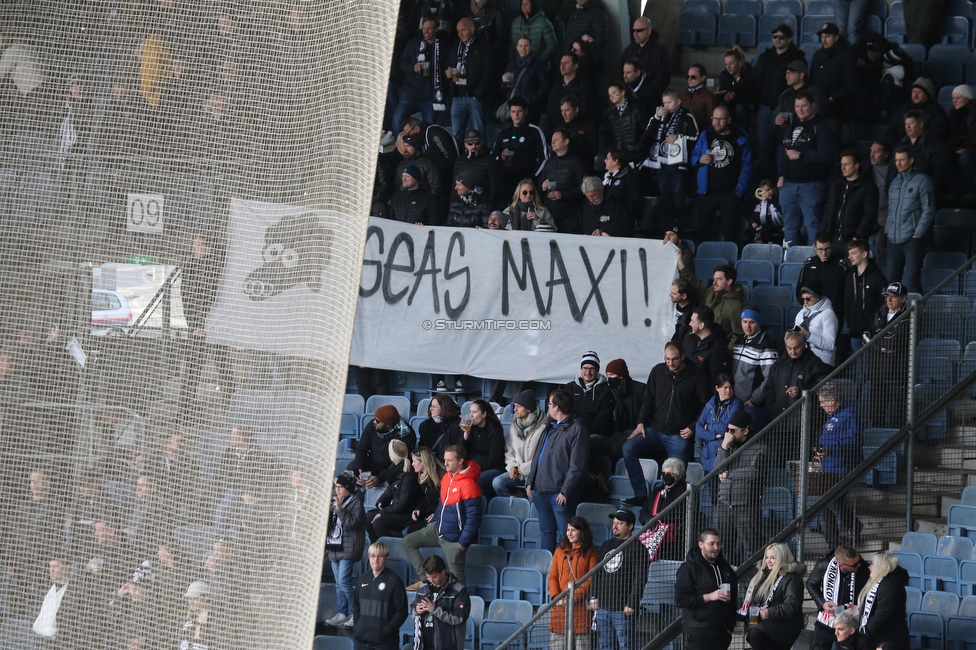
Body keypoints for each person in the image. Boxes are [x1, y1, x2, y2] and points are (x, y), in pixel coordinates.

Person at [620, 342, 710, 507]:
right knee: (627, 448)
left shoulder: (696, 375)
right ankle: (640, 494)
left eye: (675, 359)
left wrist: (693, 427)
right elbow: (648, 400)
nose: (670, 363)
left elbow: (706, 407)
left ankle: (668, 505)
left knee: (676, 476)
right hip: (655, 429)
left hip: (679, 434)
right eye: (667, 359)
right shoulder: (658, 371)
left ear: (683, 356)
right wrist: (640, 422)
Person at [402, 444, 482, 587]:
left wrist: (463, 543)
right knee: (408, 542)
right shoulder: (446, 478)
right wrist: (437, 519)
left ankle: (461, 608)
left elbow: (474, 518)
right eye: (445, 459)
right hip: (437, 529)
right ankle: (425, 581)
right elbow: (442, 503)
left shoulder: (469, 485)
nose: (445, 463)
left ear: (460, 461)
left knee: (458, 585)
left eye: (449, 460)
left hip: (454, 539)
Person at [526, 389, 589, 552]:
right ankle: (549, 571)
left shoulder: (577, 429)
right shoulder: (549, 427)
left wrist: (565, 491)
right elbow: (537, 456)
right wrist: (530, 481)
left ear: (557, 408)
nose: (547, 407)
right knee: (546, 533)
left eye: (550, 404)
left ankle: (565, 572)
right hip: (539, 491)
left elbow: (577, 465)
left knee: (566, 535)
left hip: (559, 494)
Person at [778, 91, 835, 246]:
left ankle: (813, 263)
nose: (800, 109)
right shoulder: (791, 126)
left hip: (811, 185)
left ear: (813, 106)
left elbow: (826, 155)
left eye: (803, 106)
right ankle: (790, 263)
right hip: (788, 184)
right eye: (797, 106)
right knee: (789, 227)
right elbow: (784, 152)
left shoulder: (821, 127)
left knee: (812, 226)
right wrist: (781, 174)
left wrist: (802, 155)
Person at [691, 104, 753, 244]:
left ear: (729, 119)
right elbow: (693, 155)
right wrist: (699, 159)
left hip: (730, 194)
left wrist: (739, 192)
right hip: (706, 193)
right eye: (714, 118)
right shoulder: (706, 134)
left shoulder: (740, 138)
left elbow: (747, 166)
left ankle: (730, 264)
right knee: (704, 233)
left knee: (730, 233)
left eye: (721, 119)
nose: (716, 122)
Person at [640, 88, 699, 228]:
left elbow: (696, 136)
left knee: (678, 193)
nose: (666, 106)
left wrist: (679, 137)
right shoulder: (657, 116)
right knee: (665, 193)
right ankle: (666, 221)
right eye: (664, 103)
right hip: (660, 162)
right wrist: (656, 118)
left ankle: (680, 222)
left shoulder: (687, 117)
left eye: (669, 102)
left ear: (678, 102)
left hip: (678, 162)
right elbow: (647, 134)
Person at [714, 411, 766, 563]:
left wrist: (729, 474)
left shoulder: (759, 447)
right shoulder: (728, 446)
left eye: (733, 431)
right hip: (724, 503)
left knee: (752, 547)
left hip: (745, 505)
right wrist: (724, 446)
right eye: (727, 430)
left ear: (745, 431)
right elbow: (717, 469)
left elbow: (754, 472)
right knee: (724, 548)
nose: (729, 434)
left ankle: (753, 583)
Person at [590, 509, 646, 650]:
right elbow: (597, 572)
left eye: (620, 523)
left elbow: (641, 577)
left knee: (626, 645)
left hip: (623, 609)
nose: (614, 526)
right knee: (605, 646)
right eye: (614, 522)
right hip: (603, 607)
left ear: (630, 526)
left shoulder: (638, 547)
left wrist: (632, 603)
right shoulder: (606, 545)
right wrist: (593, 596)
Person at [674, 529, 738, 650]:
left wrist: (730, 627)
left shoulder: (725, 567)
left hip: (721, 632)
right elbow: (680, 600)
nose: (716, 547)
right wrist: (710, 596)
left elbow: (733, 598)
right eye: (712, 543)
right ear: (701, 544)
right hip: (698, 631)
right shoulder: (688, 568)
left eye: (718, 543)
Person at [753, 24, 806, 167]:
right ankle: (765, 183)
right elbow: (755, 78)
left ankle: (780, 180)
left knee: (783, 145)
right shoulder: (766, 56)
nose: (777, 40)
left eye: (781, 37)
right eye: (775, 36)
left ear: (789, 39)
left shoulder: (797, 58)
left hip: (784, 109)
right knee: (764, 146)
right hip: (764, 108)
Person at [817, 382, 863, 548]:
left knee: (831, 501)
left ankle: (853, 524)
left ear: (833, 400)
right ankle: (833, 547)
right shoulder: (833, 416)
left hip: (843, 467)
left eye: (822, 402)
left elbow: (853, 441)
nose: (821, 405)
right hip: (829, 468)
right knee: (824, 507)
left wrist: (831, 449)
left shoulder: (848, 415)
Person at [886, 145, 934, 294]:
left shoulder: (923, 180)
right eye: (896, 160)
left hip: (912, 239)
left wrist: (917, 233)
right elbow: (890, 209)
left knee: (913, 279)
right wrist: (888, 230)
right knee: (892, 282)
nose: (898, 163)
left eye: (902, 160)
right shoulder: (894, 182)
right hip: (893, 239)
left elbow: (929, 209)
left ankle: (916, 316)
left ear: (911, 160)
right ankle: (893, 316)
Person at [739, 543, 806, 650]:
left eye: (773, 558)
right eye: (766, 557)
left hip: (783, 625)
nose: (768, 561)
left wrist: (769, 613)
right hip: (763, 624)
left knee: (756, 633)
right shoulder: (762, 576)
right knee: (754, 633)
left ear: (782, 558)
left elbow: (792, 605)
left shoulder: (792, 579)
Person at [807, 545, 872, 650]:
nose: (859, 565)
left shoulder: (863, 567)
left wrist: (859, 607)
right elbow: (811, 584)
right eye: (854, 564)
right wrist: (822, 603)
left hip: (849, 624)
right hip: (826, 621)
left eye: (859, 559)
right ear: (842, 566)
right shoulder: (824, 564)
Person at [548, 517, 599, 649]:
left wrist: (573, 597)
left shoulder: (592, 552)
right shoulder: (559, 551)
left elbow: (591, 579)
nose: (569, 533)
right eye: (568, 530)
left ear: (582, 532)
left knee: (581, 645)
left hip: (581, 610)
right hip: (560, 608)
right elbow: (552, 576)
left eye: (573, 530)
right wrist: (556, 597)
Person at [865, 282, 911, 428]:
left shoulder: (908, 317)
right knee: (876, 416)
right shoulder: (879, 313)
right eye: (887, 296)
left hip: (896, 376)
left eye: (894, 297)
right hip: (877, 375)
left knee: (896, 417)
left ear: (903, 298)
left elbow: (894, 343)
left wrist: (875, 341)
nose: (889, 300)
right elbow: (865, 335)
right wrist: (881, 346)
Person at [325, 473, 366, 628]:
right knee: (338, 583)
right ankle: (342, 612)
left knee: (343, 581)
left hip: (349, 547)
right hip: (334, 546)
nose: (338, 490)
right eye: (336, 487)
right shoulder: (334, 501)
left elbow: (352, 524)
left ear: (348, 488)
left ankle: (355, 613)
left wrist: (340, 510)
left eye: (341, 487)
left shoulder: (356, 501)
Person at [758, 331, 831, 419]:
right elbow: (770, 388)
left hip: (804, 419)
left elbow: (824, 386)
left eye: (797, 348)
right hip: (778, 418)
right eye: (789, 348)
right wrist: (770, 409)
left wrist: (801, 390)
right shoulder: (778, 364)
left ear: (804, 345)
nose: (793, 352)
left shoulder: (814, 363)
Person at [676, 259, 745, 349]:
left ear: (729, 281)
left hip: (718, 351)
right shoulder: (710, 293)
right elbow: (693, 282)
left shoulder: (736, 306)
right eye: (714, 279)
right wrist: (680, 262)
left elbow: (737, 334)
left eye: (719, 279)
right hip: (701, 347)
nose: (714, 282)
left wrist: (725, 353)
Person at [353, 541, 409, 650]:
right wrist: (358, 626)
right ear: (368, 557)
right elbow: (356, 606)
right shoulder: (362, 579)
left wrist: (387, 629)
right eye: (373, 556)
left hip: (385, 643)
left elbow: (401, 612)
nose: (376, 560)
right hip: (361, 642)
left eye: (380, 556)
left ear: (386, 558)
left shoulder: (394, 581)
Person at [393, 17, 446, 133]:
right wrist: (413, 67)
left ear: (436, 29)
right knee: (397, 120)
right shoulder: (414, 43)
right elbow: (402, 63)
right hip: (412, 92)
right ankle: (402, 146)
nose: (425, 31)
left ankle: (423, 150)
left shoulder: (443, 46)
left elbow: (448, 67)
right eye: (424, 28)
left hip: (431, 95)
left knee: (429, 128)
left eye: (429, 29)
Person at [822, 151, 880, 256]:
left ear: (857, 166)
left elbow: (870, 215)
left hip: (854, 241)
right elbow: (828, 211)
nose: (842, 168)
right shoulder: (836, 184)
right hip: (834, 239)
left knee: (852, 271)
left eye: (847, 164)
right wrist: (822, 235)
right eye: (842, 164)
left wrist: (857, 237)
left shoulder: (868, 187)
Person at [494, 390, 547, 497]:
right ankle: (516, 505)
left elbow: (544, 456)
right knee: (497, 483)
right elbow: (509, 451)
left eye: (518, 406)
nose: (514, 410)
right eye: (514, 406)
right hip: (517, 473)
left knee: (533, 493)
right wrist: (512, 467)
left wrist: (526, 468)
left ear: (528, 409)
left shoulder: (543, 428)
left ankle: (529, 510)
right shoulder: (514, 426)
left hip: (535, 475)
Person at [349, 405, 417, 488]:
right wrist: (359, 468)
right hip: (373, 464)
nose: (374, 422)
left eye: (377, 421)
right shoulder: (372, 426)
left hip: (392, 468)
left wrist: (379, 478)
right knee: (351, 469)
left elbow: (400, 463)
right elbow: (361, 448)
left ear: (388, 425)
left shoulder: (406, 434)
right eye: (374, 418)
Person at [493, 97, 548, 199]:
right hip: (506, 183)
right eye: (513, 111)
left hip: (527, 183)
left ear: (526, 111)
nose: (516, 115)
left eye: (519, 111)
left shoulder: (535, 131)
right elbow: (494, 158)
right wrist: (501, 157)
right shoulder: (503, 133)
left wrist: (532, 177)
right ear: (509, 113)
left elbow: (544, 158)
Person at [446, 18, 491, 142]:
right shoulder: (455, 46)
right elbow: (449, 65)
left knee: (478, 133)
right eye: (458, 31)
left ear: (472, 29)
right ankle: (459, 160)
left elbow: (487, 72)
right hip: (457, 96)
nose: (460, 34)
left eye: (463, 30)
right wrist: (448, 72)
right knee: (456, 134)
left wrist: (478, 94)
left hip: (474, 97)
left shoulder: (482, 46)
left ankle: (481, 160)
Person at [412, 555, 470, 650]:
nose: (431, 580)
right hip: (424, 643)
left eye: (434, 577)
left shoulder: (459, 590)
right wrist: (416, 610)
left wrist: (435, 610)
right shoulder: (423, 587)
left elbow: (459, 618)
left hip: (449, 645)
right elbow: (413, 608)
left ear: (443, 572)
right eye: (428, 577)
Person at [890, 110, 954, 195]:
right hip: (899, 194)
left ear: (921, 124)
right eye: (906, 124)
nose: (907, 127)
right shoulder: (899, 146)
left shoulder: (935, 145)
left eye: (911, 123)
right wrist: (890, 189)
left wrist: (925, 192)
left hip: (923, 194)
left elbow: (939, 173)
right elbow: (892, 169)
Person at [733, 308, 778, 429]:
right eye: (744, 321)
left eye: (752, 322)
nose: (747, 325)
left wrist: (754, 400)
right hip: (734, 400)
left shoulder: (766, 345)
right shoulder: (738, 340)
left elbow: (770, 377)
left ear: (759, 323)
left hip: (751, 405)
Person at [366, 440, 420, 541]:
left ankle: (392, 549)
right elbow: (391, 488)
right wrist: (382, 500)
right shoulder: (394, 469)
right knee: (369, 516)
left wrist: (383, 512)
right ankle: (375, 548)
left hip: (407, 514)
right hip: (397, 510)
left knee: (379, 523)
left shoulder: (408, 475)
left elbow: (403, 504)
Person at [856, 551, 910, 650]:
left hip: (888, 641)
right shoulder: (884, 583)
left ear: (881, 566)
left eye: (872, 564)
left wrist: (865, 633)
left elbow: (883, 614)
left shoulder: (890, 586)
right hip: (879, 638)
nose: (869, 567)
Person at [638, 458, 688, 561]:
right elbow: (644, 510)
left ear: (679, 477)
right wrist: (648, 520)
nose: (665, 476)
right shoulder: (656, 491)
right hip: (653, 535)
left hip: (673, 543)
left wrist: (658, 520)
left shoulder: (685, 492)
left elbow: (681, 513)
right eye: (663, 473)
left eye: (669, 474)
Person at [695, 373, 744, 477]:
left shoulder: (737, 404)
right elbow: (698, 429)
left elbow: (726, 427)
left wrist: (708, 427)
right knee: (711, 492)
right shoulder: (710, 404)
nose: (728, 390)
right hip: (710, 459)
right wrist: (713, 436)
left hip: (726, 457)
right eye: (725, 387)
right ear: (717, 388)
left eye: (730, 387)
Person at [843, 240, 887, 352]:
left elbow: (885, 303)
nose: (849, 257)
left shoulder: (877, 277)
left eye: (853, 253)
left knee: (872, 367)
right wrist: (850, 321)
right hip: (855, 331)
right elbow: (847, 301)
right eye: (849, 254)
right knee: (859, 366)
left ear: (864, 254)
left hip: (873, 334)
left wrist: (876, 326)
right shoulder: (849, 276)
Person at [809, 23, 858, 122]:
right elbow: (812, 80)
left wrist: (833, 97)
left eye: (827, 36)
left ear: (836, 38)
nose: (823, 40)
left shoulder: (846, 56)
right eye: (822, 37)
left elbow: (852, 83)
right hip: (817, 107)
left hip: (837, 109)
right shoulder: (818, 55)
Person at [540, 128, 586, 232]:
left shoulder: (577, 163)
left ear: (566, 142)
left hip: (569, 217)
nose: (552, 142)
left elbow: (583, 188)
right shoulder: (549, 163)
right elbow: (540, 184)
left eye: (556, 139)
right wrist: (542, 186)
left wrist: (562, 194)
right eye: (552, 140)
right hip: (548, 216)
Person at [797, 233, 848, 322]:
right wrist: (807, 305)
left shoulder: (841, 265)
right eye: (820, 249)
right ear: (815, 247)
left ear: (832, 246)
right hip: (811, 313)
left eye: (827, 249)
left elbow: (847, 291)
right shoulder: (808, 264)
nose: (824, 253)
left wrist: (839, 309)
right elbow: (800, 289)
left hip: (834, 314)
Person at [563, 351, 615, 439]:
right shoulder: (570, 387)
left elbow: (603, 420)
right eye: (585, 368)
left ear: (597, 371)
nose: (588, 372)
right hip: (570, 430)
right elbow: (563, 411)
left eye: (592, 369)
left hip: (593, 433)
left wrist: (584, 432)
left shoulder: (606, 390)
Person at [883, 78, 948, 147]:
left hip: (922, 150)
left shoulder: (937, 111)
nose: (915, 95)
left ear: (927, 94)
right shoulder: (904, 108)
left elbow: (935, 135)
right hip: (899, 149)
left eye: (919, 92)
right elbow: (890, 129)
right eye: (913, 91)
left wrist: (912, 148)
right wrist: (897, 147)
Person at [501, 36, 549, 124]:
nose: (523, 48)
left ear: (531, 47)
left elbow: (545, 84)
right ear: (516, 47)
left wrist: (534, 99)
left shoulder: (537, 64)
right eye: (520, 46)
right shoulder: (512, 64)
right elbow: (505, 88)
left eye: (526, 45)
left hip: (530, 107)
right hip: (514, 106)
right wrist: (504, 82)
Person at [682, 306, 733, 388]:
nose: (689, 324)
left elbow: (717, 380)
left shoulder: (718, 349)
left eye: (692, 321)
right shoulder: (689, 337)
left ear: (701, 325)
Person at [463, 399, 506, 495]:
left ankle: (483, 506)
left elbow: (492, 459)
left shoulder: (495, 431)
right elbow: (463, 452)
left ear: (484, 414)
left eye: (474, 412)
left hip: (494, 468)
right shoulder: (471, 428)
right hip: (474, 466)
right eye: (470, 412)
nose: (471, 415)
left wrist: (475, 470)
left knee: (477, 481)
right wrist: (466, 434)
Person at [620, 16, 670, 97]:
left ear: (649, 31)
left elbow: (663, 79)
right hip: (629, 98)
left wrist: (648, 94)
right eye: (633, 30)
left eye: (639, 30)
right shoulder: (628, 51)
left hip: (651, 99)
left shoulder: (660, 51)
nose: (635, 33)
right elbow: (620, 76)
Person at [796, 284, 839, 367]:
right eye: (803, 299)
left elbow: (830, 345)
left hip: (822, 360)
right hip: (803, 358)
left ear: (817, 297)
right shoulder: (801, 313)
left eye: (808, 299)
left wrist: (807, 335)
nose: (805, 302)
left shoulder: (829, 315)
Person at [546, 53, 598, 123]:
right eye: (561, 63)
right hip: (556, 129)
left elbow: (586, 111)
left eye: (566, 63)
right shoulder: (556, 86)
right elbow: (550, 111)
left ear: (575, 66)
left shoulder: (583, 86)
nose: (562, 65)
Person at [603, 82, 646, 163]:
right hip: (621, 156)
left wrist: (639, 147)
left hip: (638, 155)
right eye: (609, 95)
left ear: (622, 92)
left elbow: (645, 130)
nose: (611, 96)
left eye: (614, 93)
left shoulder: (636, 108)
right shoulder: (612, 114)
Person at [716, 46, 757, 130]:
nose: (728, 67)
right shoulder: (724, 75)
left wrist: (735, 95)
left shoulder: (749, 73)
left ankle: (741, 133)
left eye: (731, 63)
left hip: (746, 104)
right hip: (730, 104)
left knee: (740, 108)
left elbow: (751, 95)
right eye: (726, 64)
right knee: (722, 106)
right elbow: (722, 92)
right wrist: (724, 97)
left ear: (739, 63)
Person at [408, 447, 447, 535]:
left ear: (423, 462)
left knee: (412, 532)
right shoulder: (421, 477)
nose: (412, 464)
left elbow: (446, 501)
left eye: (414, 461)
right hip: (427, 513)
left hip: (439, 515)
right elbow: (425, 498)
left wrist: (436, 513)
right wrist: (419, 508)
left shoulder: (441, 477)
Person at [509, 0, 557, 70]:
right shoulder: (515, 23)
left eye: (527, 3)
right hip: (518, 66)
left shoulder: (543, 22)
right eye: (522, 4)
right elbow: (512, 45)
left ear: (533, 5)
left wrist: (539, 61)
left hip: (538, 67)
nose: (524, 6)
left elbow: (552, 44)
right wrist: (512, 62)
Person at [602, 149, 642, 227]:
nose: (604, 161)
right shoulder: (607, 177)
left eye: (607, 158)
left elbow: (635, 201)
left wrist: (620, 212)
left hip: (622, 220)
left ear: (616, 161)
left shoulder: (629, 178)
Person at [417, 394, 464, 459]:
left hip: (448, 464)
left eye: (434, 406)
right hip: (430, 464)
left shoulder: (458, 425)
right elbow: (422, 448)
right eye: (431, 406)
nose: (431, 409)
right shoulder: (425, 425)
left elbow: (460, 449)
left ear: (444, 408)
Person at [948, 84, 976, 187]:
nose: (954, 101)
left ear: (967, 99)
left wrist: (962, 141)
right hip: (957, 146)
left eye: (958, 98)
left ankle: (969, 189)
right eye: (953, 98)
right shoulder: (953, 114)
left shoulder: (973, 114)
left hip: (971, 148)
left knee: (965, 156)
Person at [681, 64, 719, 132]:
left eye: (693, 77)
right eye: (688, 76)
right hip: (684, 134)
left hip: (701, 134)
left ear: (703, 77)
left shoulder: (709, 97)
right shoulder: (684, 95)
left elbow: (712, 122)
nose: (689, 79)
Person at [669, 276, 698, 344]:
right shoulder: (675, 304)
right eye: (671, 292)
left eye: (673, 293)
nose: (670, 295)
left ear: (684, 296)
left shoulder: (692, 315)